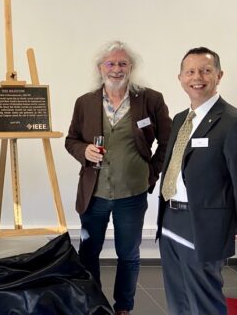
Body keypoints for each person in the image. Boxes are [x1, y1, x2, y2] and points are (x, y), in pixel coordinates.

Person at [65, 41, 172, 315]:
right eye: (110, 64)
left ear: (131, 68)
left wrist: (152, 172)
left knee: (128, 254)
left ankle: (124, 307)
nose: (116, 69)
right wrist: (83, 150)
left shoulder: (150, 99)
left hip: (132, 194)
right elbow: (71, 140)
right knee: (89, 253)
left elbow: (168, 141)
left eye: (123, 63)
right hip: (94, 193)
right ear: (100, 68)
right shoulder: (85, 102)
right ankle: (94, 304)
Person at [157, 47, 237, 315]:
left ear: (219, 75)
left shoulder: (236, 123)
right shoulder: (181, 119)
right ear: (180, 78)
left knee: (204, 304)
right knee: (177, 301)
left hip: (204, 228)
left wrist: (235, 229)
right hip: (170, 221)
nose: (197, 77)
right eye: (190, 71)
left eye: (205, 70)